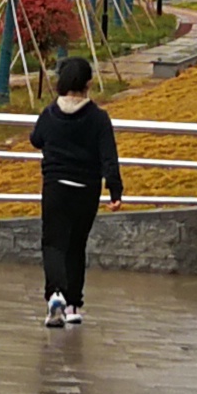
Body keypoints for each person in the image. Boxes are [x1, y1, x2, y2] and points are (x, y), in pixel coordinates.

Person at [27, 55, 123, 327]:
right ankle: (73, 306)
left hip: (56, 187)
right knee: (77, 245)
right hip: (86, 190)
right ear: (88, 84)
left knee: (53, 243)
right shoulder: (98, 118)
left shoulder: (50, 114)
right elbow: (109, 157)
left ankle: (55, 293)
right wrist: (115, 191)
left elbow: (36, 139)